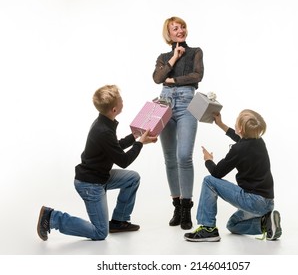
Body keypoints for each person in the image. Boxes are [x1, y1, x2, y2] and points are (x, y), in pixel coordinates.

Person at [37, 84, 157, 241]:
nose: (123, 101)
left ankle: (119, 221)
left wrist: (135, 136)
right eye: (121, 100)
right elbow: (123, 160)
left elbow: (114, 147)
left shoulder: (105, 122)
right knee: (100, 232)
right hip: (90, 185)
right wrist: (140, 143)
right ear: (114, 109)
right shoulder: (104, 130)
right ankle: (52, 217)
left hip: (101, 176)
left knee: (132, 178)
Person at [184, 109, 282, 242]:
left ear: (240, 129)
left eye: (236, 122)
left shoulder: (238, 150)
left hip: (252, 201)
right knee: (232, 226)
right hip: (267, 203)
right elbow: (240, 138)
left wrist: (208, 160)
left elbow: (216, 173)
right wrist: (220, 124)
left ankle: (207, 229)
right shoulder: (259, 142)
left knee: (209, 181)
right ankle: (266, 224)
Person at [152, 16, 204, 230]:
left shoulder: (195, 52)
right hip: (164, 103)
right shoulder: (164, 56)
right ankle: (176, 205)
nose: (180, 30)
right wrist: (173, 58)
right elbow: (157, 79)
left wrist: (173, 80)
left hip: (187, 104)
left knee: (184, 156)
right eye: (175, 28)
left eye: (182, 26)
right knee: (169, 158)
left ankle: (186, 207)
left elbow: (197, 76)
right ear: (169, 33)